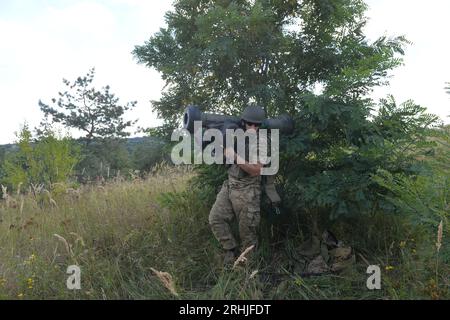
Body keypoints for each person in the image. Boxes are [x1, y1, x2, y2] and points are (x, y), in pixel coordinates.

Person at [208, 104, 266, 267]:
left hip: (248, 190)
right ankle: (231, 251)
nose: (253, 127)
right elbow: (218, 155)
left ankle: (249, 268)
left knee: (247, 233)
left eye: (256, 125)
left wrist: (234, 156)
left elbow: (256, 170)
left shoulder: (262, 142)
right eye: (249, 124)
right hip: (230, 184)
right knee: (215, 218)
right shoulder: (234, 135)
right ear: (243, 123)